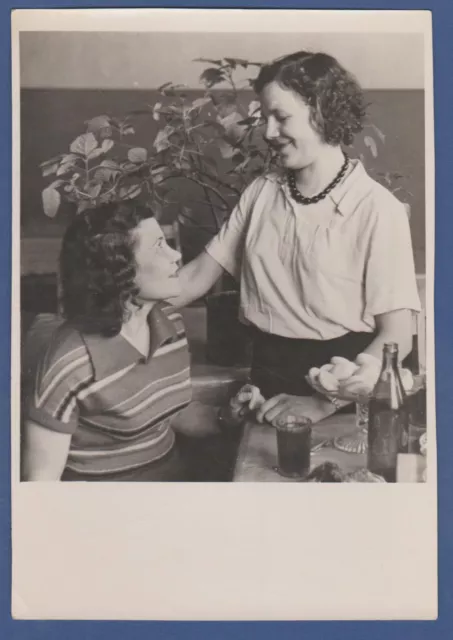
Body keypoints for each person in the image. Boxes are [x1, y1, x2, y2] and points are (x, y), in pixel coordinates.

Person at [170, 50, 421, 425]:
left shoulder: (376, 209)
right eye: (265, 118)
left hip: (345, 399)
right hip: (267, 384)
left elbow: (398, 334)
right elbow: (193, 279)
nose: (268, 133)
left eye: (281, 117)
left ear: (322, 111)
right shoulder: (261, 192)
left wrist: (325, 403)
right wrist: (111, 302)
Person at [22, 202, 240, 482]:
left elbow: (170, 413)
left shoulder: (169, 322)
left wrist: (226, 416)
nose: (175, 255)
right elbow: (41, 487)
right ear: (120, 271)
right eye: (159, 246)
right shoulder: (70, 364)